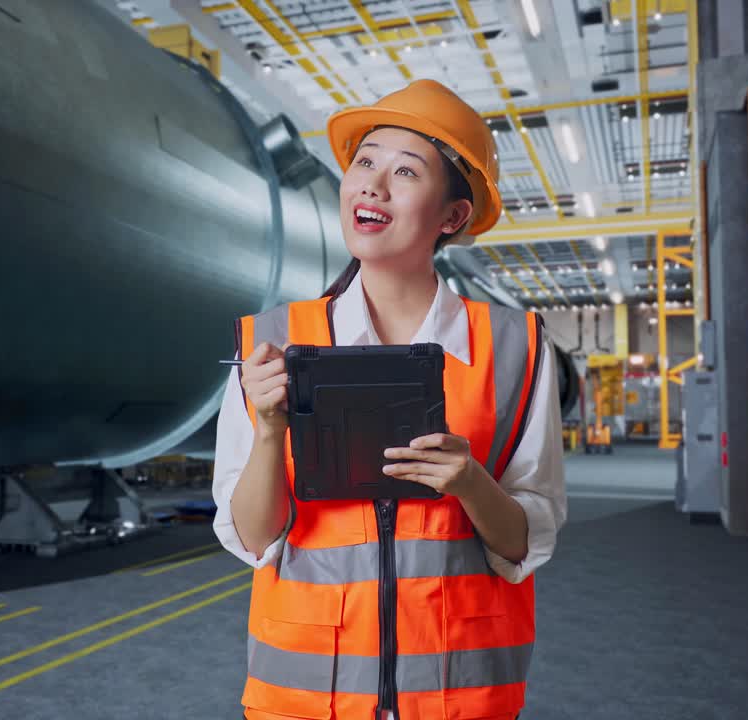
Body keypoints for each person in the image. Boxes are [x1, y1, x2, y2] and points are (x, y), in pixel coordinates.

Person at [213, 79, 568, 720]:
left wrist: (471, 484)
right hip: (305, 698)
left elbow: (525, 544)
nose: (373, 184)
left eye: (406, 171)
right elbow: (252, 540)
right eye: (365, 162)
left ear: (452, 217)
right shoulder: (270, 342)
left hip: (459, 696)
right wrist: (269, 432)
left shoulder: (515, 347)